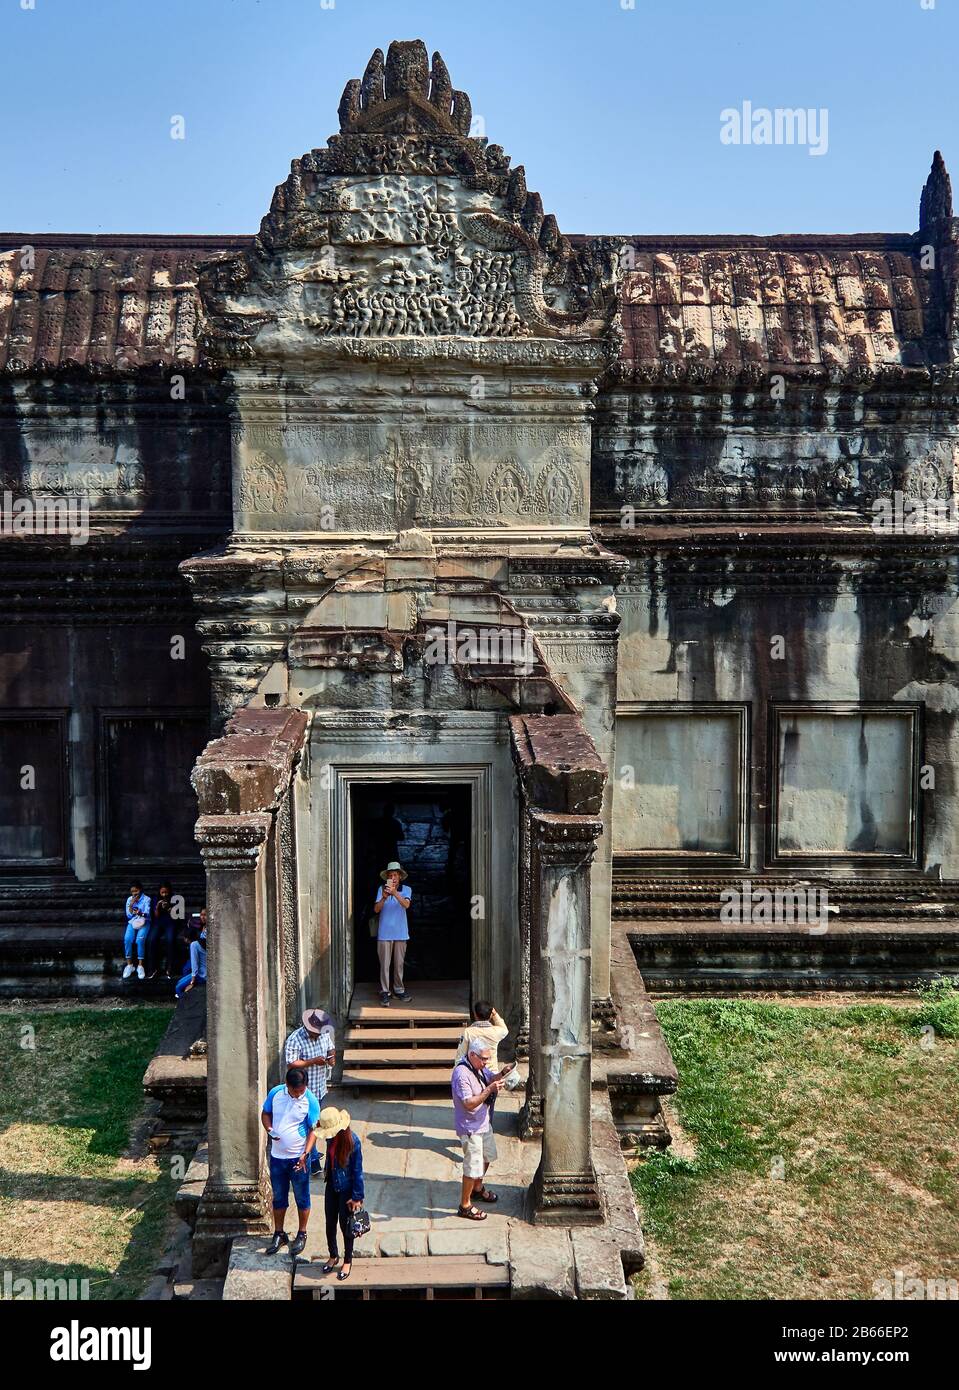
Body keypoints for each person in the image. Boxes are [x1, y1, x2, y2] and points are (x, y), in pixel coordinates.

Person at [451, 1040, 514, 1221]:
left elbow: (490, 1077)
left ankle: (477, 1188)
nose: (486, 1062)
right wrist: (489, 1090)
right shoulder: (462, 1074)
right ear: (472, 1055)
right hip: (471, 1128)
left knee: (488, 1156)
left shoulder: (478, 1066)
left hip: (483, 1122)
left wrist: (503, 1073)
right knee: (472, 1167)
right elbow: (469, 1103)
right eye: (483, 1059)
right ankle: (465, 1205)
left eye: (488, 1059)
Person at [261, 1066, 320, 1257]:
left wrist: (306, 1153)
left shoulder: (310, 1100)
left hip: (298, 1158)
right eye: (295, 1091)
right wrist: (269, 1129)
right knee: (279, 1197)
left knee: (302, 1196)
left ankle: (302, 1233)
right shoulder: (276, 1093)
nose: (298, 1094)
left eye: (301, 1090)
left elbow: (314, 1130)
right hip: (278, 1157)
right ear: (287, 1086)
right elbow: (265, 1113)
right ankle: (279, 1232)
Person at [284, 1008, 336, 1172]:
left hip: (320, 1087)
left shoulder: (323, 1034)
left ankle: (312, 1154)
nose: (318, 1036)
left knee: (316, 1124)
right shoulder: (295, 1039)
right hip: (304, 1092)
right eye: (315, 1033)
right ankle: (313, 1161)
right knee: (310, 1126)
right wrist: (312, 1061)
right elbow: (291, 1063)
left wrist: (331, 1057)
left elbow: (330, 1047)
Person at [317, 1107, 364, 1282]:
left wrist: (357, 1196)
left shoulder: (353, 1142)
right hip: (331, 1185)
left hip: (346, 1190)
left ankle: (347, 1260)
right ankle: (333, 1254)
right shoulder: (331, 1140)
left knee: (347, 1227)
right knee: (330, 1223)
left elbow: (358, 1171)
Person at [373, 860, 412, 1007]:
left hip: (401, 933)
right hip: (384, 933)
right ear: (387, 877)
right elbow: (376, 909)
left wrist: (395, 892)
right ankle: (385, 991)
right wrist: (384, 896)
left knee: (399, 964)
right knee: (384, 964)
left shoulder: (406, 889)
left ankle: (399, 989)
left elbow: (406, 905)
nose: (393, 878)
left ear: (400, 876)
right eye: (390, 875)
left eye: (395, 875)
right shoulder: (381, 889)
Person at [455, 1000, 509, 1072]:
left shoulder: (468, 1032)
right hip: (492, 1074)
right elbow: (505, 1030)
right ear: (490, 1015)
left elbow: (460, 1055)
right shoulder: (495, 1032)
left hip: (474, 1075)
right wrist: (495, 1015)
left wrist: (457, 1071)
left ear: (475, 1015)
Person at [147, 882, 177, 980]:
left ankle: (170, 967)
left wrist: (168, 907)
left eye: (166, 892)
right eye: (162, 892)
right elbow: (155, 916)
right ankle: (153, 968)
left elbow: (176, 917)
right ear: (159, 892)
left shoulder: (175, 899)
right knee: (151, 940)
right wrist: (157, 907)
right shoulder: (155, 899)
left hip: (170, 922)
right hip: (158, 922)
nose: (164, 895)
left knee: (170, 940)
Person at [122, 881, 151, 981]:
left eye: (136, 891)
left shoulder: (147, 899)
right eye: (132, 891)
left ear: (140, 890)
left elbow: (147, 914)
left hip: (144, 922)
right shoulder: (129, 899)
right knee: (127, 939)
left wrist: (141, 912)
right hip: (133, 922)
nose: (134, 893)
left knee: (140, 940)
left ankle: (140, 966)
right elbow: (129, 915)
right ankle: (130, 965)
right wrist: (131, 905)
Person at [175, 917, 208, 999]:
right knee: (179, 982)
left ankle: (185, 1004)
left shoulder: (194, 945)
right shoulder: (202, 940)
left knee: (178, 988)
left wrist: (192, 982)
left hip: (202, 975)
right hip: (202, 972)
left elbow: (194, 964)